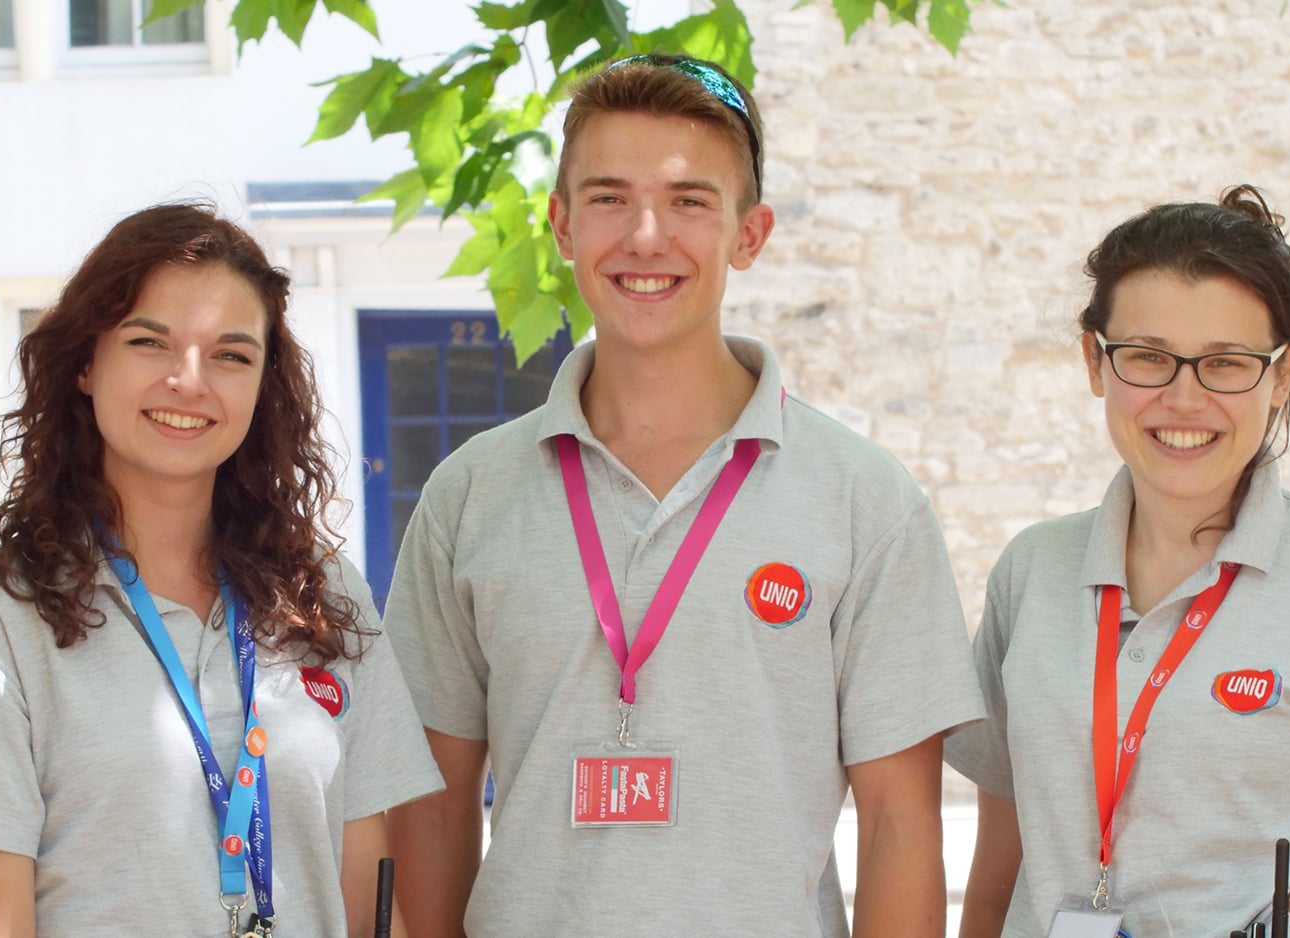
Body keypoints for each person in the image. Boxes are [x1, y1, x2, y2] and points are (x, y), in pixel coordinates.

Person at [382, 52, 985, 937]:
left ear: (750, 233)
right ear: (561, 225)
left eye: (689, 201)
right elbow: (431, 810)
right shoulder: (469, 496)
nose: (646, 235)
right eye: (609, 198)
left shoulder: (865, 501)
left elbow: (900, 825)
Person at [0, 202, 442, 938]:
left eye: (231, 355)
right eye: (149, 342)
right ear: (86, 364)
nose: (189, 382)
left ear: (263, 384)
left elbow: (368, 896)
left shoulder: (322, 592)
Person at [947, 186, 1290, 937]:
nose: (1184, 398)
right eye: (1149, 358)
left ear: (1282, 376)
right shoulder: (1029, 573)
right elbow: (995, 889)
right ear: (1095, 361)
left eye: (1226, 363)